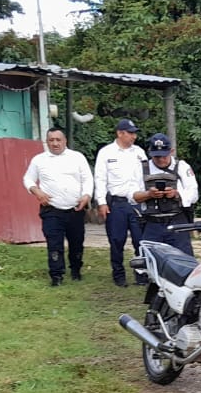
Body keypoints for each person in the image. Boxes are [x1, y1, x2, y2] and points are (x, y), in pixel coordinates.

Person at [23, 127, 92, 286]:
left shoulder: (77, 157)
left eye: (58, 140)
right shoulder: (39, 160)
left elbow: (88, 179)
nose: (55, 143)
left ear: (65, 141)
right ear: (47, 142)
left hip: (75, 209)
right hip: (51, 209)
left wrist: (86, 195)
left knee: (77, 243)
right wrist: (37, 191)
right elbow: (28, 179)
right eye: (51, 140)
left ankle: (76, 270)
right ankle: (56, 276)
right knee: (54, 244)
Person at [94, 119, 146, 287]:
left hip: (137, 203)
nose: (134, 136)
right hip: (117, 203)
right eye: (130, 133)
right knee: (117, 240)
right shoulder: (106, 153)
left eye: (134, 133)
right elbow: (100, 179)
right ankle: (118, 275)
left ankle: (142, 274)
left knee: (141, 241)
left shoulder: (139, 153)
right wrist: (101, 202)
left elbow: (146, 178)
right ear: (120, 133)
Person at [130, 132, 198, 257]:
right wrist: (149, 194)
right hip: (152, 223)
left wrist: (176, 194)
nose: (161, 159)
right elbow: (132, 196)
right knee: (149, 262)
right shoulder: (141, 168)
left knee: (184, 261)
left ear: (171, 151)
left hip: (177, 221)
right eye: (157, 157)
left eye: (164, 156)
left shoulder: (182, 167)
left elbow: (194, 194)